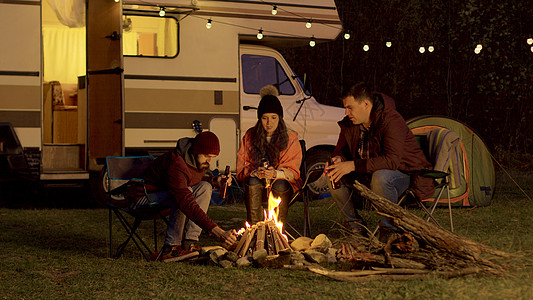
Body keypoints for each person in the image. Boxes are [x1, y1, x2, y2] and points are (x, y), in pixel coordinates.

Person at [324, 82, 434, 240]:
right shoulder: (350, 124)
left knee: (381, 176)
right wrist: (338, 159)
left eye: (350, 107)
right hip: (367, 174)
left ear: (366, 104)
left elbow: (392, 161)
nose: (347, 112)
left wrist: (353, 165)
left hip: (406, 175)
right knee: (332, 174)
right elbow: (341, 150)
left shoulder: (391, 120)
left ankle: (389, 230)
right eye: (345, 108)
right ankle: (356, 228)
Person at [132, 131, 236, 261]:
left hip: (165, 195)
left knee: (205, 187)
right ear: (196, 150)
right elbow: (184, 199)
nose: (209, 161)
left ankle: (189, 242)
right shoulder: (177, 163)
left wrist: (215, 181)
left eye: (212, 157)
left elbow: (190, 179)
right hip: (143, 200)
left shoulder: (194, 160)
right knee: (182, 195)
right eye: (206, 156)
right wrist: (218, 231)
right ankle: (171, 248)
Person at [237, 86, 302, 225]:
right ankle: (255, 229)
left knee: (279, 184)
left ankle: (276, 230)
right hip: (258, 181)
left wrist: (275, 173)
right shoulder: (250, 136)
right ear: (259, 119)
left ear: (280, 118)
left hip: (281, 182)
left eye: (273, 117)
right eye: (265, 118)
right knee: (252, 182)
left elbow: (294, 171)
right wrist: (255, 172)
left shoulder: (290, 137)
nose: (269, 122)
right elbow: (242, 165)